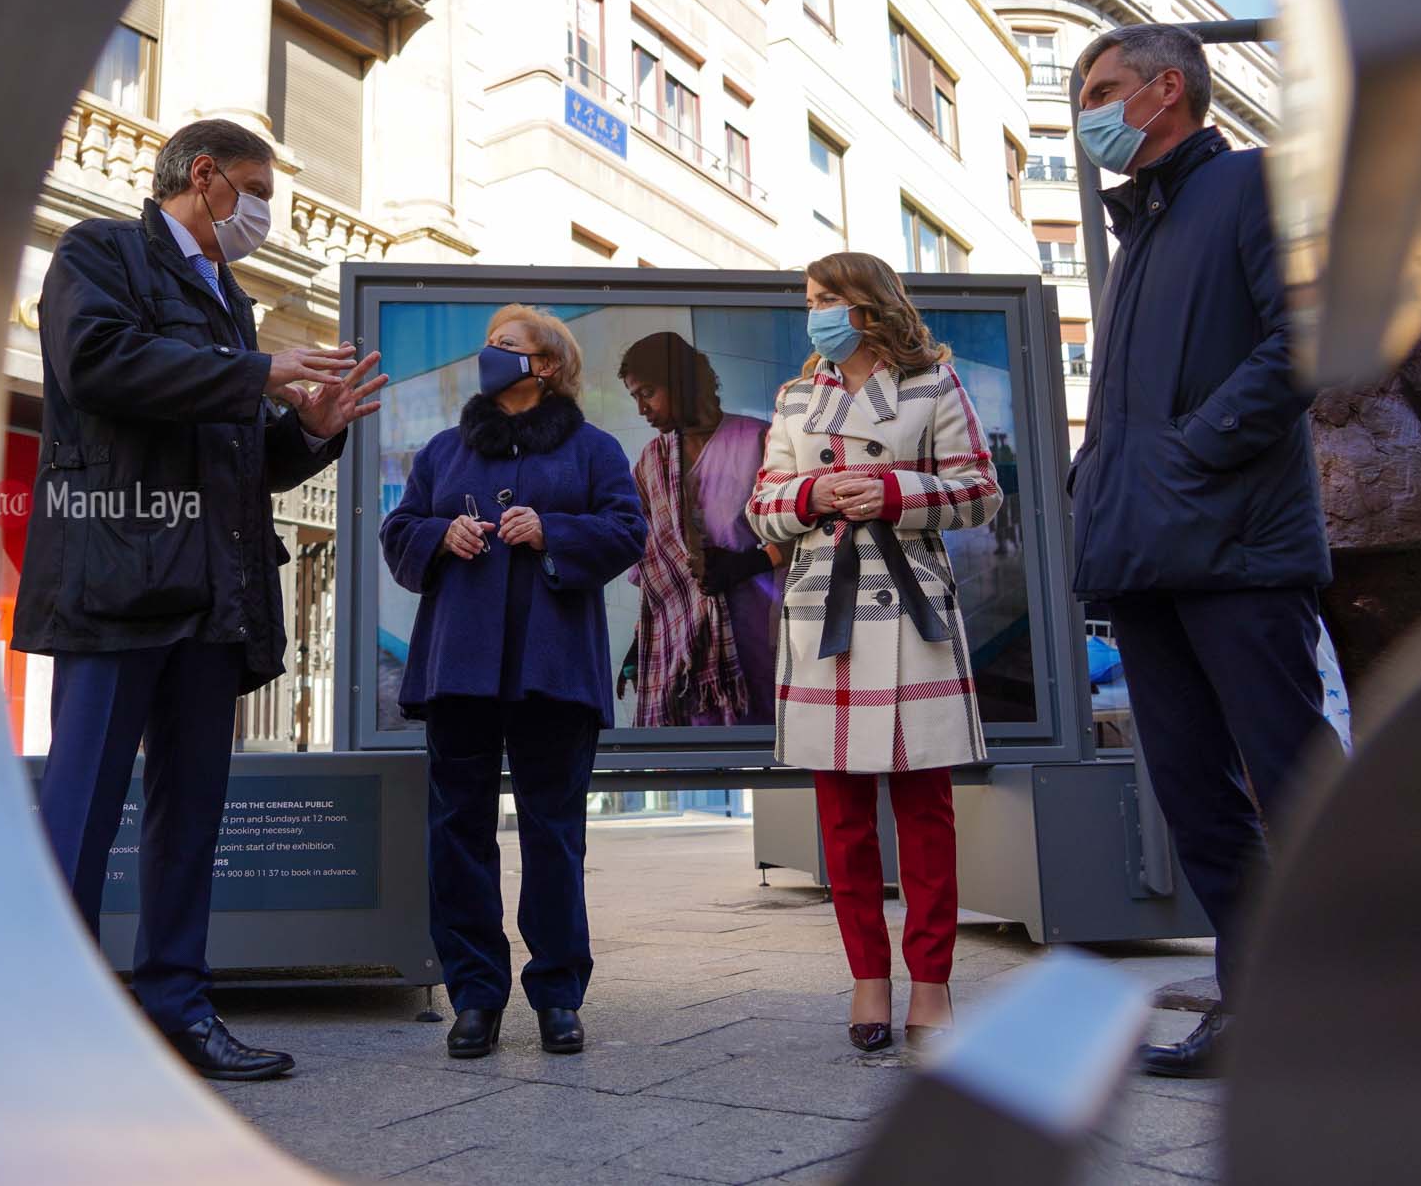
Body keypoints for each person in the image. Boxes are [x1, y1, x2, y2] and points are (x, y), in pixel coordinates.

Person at [12, 119, 385, 1081]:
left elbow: (241, 457)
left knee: (192, 819)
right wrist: (258, 373)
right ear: (206, 175)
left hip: (214, 597)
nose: (266, 215)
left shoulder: (231, 302)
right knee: (83, 808)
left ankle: (178, 1007)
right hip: (116, 581)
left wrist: (312, 429)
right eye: (259, 192)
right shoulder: (100, 253)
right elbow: (99, 364)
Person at [1066, 24, 1342, 1078]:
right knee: (1193, 796)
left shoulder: (1253, 184)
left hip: (1238, 547)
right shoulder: (1140, 228)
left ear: (1166, 89)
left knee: (1293, 778)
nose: (1086, 111)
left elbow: (1305, 339)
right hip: (1145, 552)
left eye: (1101, 88)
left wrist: (1191, 450)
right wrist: (1098, 479)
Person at [747, 253, 1002, 1053]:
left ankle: (931, 980)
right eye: (810, 299)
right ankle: (867, 976)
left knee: (925, 811)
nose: (815, 312)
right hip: (825, 610)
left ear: (868, 305)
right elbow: (761, 506)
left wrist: (894, 493)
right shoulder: (796, 398)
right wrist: (811, 494)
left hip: (909, 607)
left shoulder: (934, 385)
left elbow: (981, 491)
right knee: (842, 815)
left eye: (827, 298)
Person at [379, 305, 646, 1060]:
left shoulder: (593, 450)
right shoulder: (443, 450)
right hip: (459, 668)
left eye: (506, 345)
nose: (489, 354)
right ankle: (475, 995)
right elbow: (398, 532)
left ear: (547, 365)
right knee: (457, 832)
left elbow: (629, 530)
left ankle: (558, 994)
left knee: (552, 834)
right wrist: (441, 534)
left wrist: (553, 530)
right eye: (489, 343)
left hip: (553, 669)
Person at [1311, 316, 1421, 727]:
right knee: (1398, 696)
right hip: (1383, 511)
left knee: (1284, 701)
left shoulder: (1240, 288)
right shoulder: (1385, 293)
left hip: (1275, 518)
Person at [615, 331, 781, 726]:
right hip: (682, 654)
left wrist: (747, 564)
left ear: (682, 382)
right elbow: (655, 568)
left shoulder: (760, 440)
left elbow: (802, 534)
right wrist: (641, 640)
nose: (642, 409)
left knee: (759, 734)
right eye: (635, 397)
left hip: (754, 628)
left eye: (648, 392)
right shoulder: (651, 463)